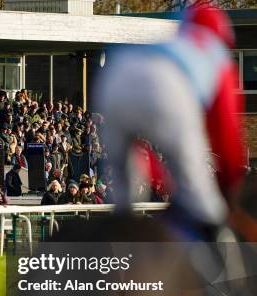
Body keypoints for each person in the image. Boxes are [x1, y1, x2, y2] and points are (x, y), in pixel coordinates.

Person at [95, 4, 246, 241]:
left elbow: (143, 153)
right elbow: (226, 134)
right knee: (206, 208)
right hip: (167, 87)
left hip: (114, 74)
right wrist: (229, 185)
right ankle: (224, 269)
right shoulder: (217, 55)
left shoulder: (171, 42)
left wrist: (162, 177)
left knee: (123, 204)